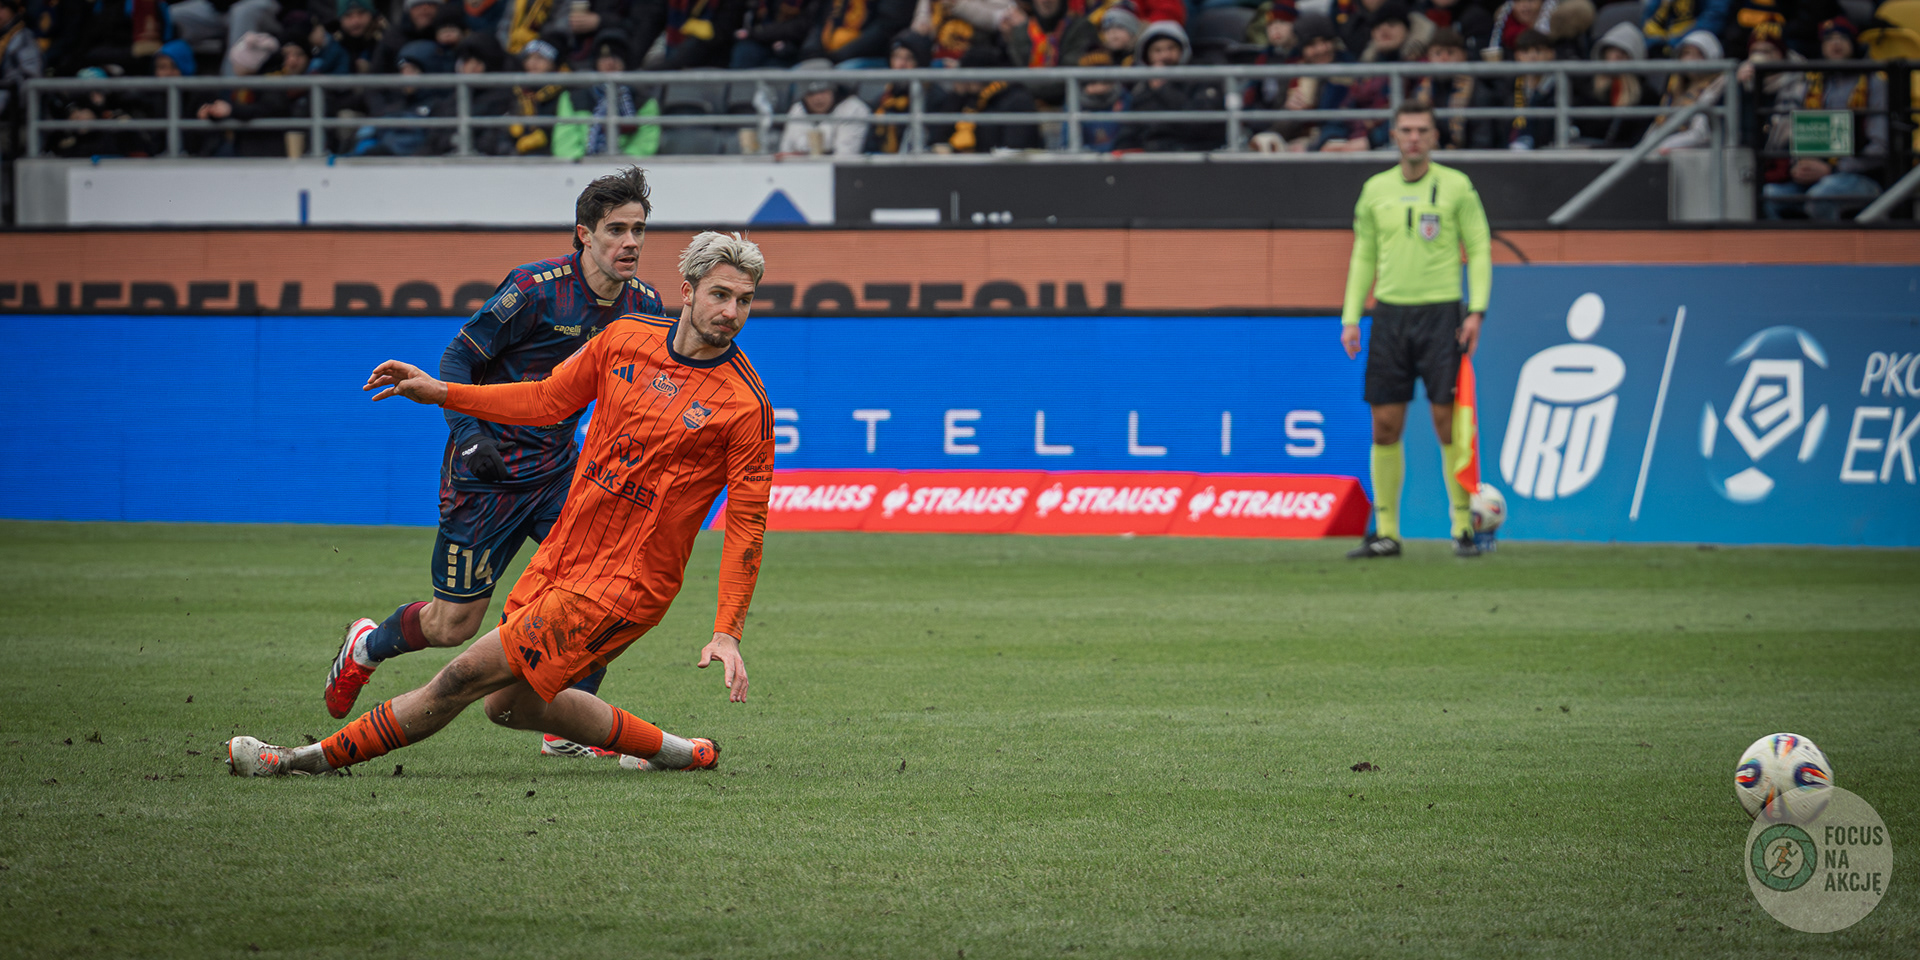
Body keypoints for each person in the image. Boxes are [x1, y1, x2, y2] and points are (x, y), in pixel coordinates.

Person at [233, 228, 770, 779]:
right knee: (511, 707)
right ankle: (682, 753)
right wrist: (445, 392)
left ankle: (300, 761)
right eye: (720, 294)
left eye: (744, 300)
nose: (731, 312)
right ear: (687, 291)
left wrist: (726, 633)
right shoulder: (626, 338)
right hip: (561, 558)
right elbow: (546, 399)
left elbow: (747, 527)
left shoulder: (746, 405)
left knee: (462, 677)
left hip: (623, 586)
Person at [321, 167, 667, 762]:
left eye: (639, 229)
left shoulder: (646, 305)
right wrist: (469, 435)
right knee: (452, 626)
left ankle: (565, 723)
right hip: (486, 473)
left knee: (596, 590)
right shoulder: (533, 289)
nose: (630, 242)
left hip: (559, 473)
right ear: (584, 234)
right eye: (617, 230)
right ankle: (367, 646)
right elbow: (457, 358)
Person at [1340, 100, 1491, 559]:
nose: (1413, 138)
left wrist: (1476, 310)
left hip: (1442, 315)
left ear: (1434, 136)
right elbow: (1363, 254)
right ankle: (1387, 532)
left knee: (1448, 422)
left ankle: (1463, 527)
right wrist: (1351, 316)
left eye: (1422, 130)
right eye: (1405, 130)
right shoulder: (1375, 190)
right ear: (1394, 135)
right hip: (1390, 317)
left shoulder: (1457, 186)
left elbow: (1479, 248)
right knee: (1385, 424)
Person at [779, 58, 872, 154]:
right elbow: (785, 151)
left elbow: (845, 156)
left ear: (833, 90)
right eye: (811, 94)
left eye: (823, 91)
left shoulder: (854, 109)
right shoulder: (797, 109)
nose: (818, 98)